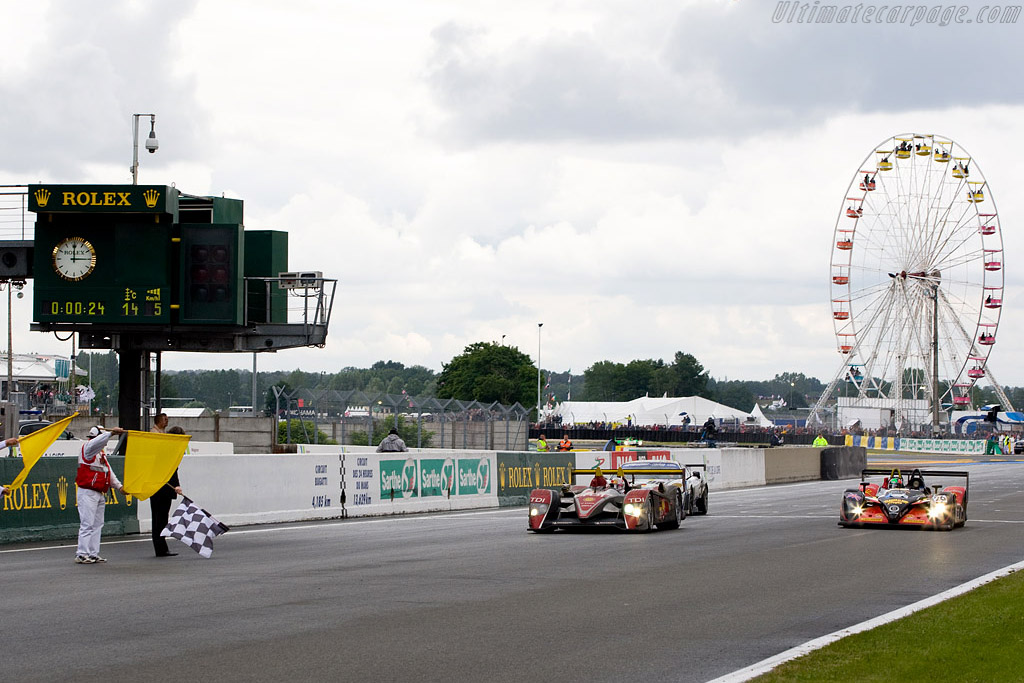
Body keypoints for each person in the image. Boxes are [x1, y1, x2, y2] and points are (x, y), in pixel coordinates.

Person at [75, 426, 126, 564]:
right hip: (88, 492)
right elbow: (96, 443)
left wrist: (119, 486)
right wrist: (111, 434)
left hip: (98, 492)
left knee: (97, 524)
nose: (105, 443)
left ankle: (92, 553)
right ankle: (82, 553)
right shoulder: (88, 449)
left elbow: (108, 472)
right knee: (87, 524)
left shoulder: (100, 454)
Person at [150, 423, 184, 557]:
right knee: (160, 518)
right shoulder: (168, 451)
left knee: (159, 518)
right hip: (162, 488)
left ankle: (161, 547)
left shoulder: (163, 448)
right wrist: (176, 485)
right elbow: (171, 471)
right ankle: (160, 548)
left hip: (158, 488)